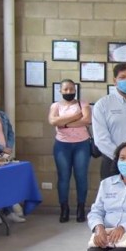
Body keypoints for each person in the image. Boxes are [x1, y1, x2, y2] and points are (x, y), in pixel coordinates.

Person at [48, 79, 92, 223]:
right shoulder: (55, 106)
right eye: (66, 89)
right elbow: (53, 121)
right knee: (63, 177)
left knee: (81, 177)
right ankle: (64, 209)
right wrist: (75, 117)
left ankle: (81, 208)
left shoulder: (83, 104)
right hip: (62, 146)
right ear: (60, 91)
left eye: (71, 89)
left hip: (82, 145)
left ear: (75, 90)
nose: (69, 92)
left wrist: (64, 123)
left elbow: (87, 120)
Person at [0, 88, 25, 225]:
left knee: (6, 183)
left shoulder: (2, 115)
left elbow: (10, 132)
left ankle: (9, 212)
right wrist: (1, 148)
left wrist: (8, 147)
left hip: (4, 153)